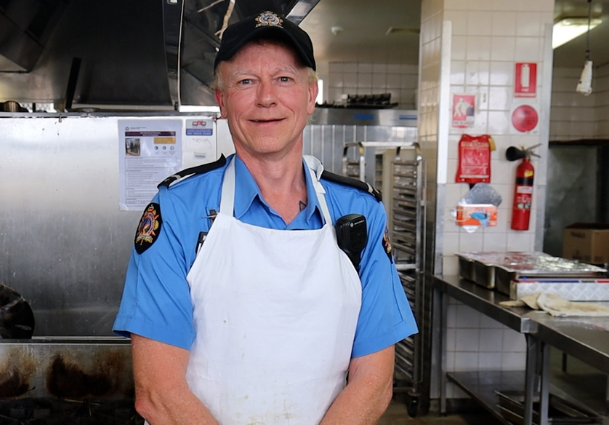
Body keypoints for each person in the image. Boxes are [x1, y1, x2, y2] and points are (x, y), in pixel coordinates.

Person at [113, 10, 417, 424]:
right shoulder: (177, 211)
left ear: (311, 96)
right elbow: (158, 394)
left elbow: (374, 381)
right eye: (245, 82)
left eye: (284, 79)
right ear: (221, 101)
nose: (266, 97)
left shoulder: (359, 213)